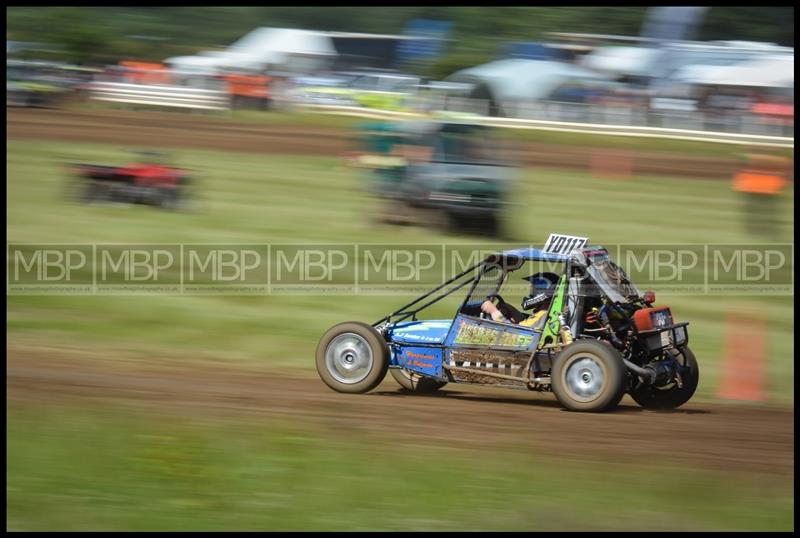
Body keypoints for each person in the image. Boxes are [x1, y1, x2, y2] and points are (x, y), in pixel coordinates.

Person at [480, 272, 558, 330]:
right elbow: (525, 323)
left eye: (534, 288)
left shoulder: (542, 314)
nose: (531, 291)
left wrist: (494, 312)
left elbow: (517, 332)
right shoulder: (545, 313)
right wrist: (512, 311)